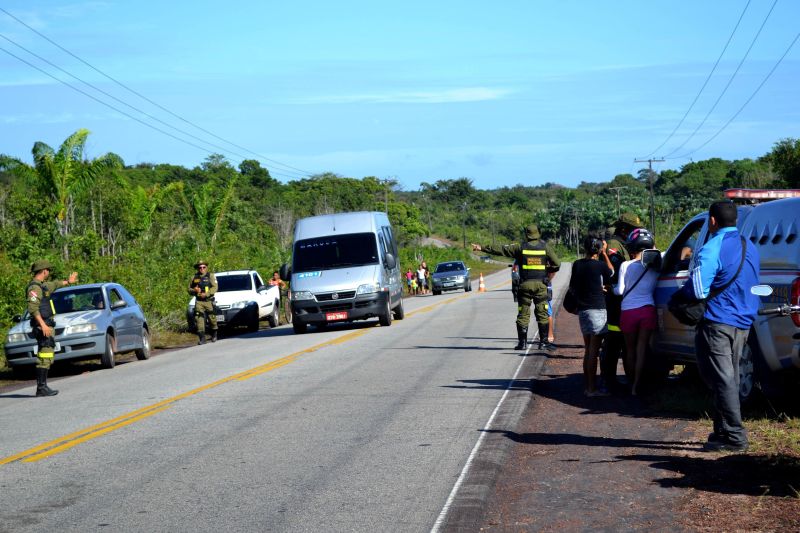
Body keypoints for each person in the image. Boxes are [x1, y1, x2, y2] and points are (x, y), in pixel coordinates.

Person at [678, 200, 759, 452]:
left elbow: (699, 289)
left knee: (721, 378)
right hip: (743, 322)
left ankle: (735, 436)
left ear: (712, 221)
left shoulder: (711, 248)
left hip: (717, 322)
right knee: (729, 376)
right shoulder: (750, 246)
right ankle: (722, 431)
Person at [473, 224, 561, 351]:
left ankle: (522, 344)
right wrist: (547, 273)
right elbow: (557, 264)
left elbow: (501, 249)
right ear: (538, 233)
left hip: (524, 285)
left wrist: (481, 247)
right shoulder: (545, 247)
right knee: (542, 313)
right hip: (541, 285)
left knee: (523, 313)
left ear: (527, 234)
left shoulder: (520, 247)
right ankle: (544, 342)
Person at [614, 228, 659, 396]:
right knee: (642, 349)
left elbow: (620, 290)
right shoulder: (655, 266)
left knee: (629, 350)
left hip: (628, 312)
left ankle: (631, 382)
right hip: (648, 310)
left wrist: (610, 289)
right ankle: (637, 385)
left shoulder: (626, 265)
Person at [601, 212, 642, 392]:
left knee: (625, 343)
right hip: (615, 300)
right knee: (613, 342)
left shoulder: (624, 244)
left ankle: (626, 379)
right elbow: (616, 270)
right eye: (632, 230)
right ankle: (608, 381)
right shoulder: (614, 245)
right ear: (624, 229)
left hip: (624, 299)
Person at [26, 260, 78, 397]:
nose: (49, 272)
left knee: (47, 355)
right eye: (48, 270)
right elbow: (32, 309)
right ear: (44, 271)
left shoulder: (43, 286)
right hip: (43, 326)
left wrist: (69, 281)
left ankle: (42, 386)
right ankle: (41, 387)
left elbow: (55, 284)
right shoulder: (34, 288)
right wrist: (42, 325)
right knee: (45, 355)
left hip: (47, 324)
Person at [570, 236, 614, 397]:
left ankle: (587, 386)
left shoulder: (577, 265)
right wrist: (605, 253)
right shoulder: (600, 265)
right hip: (597, 309)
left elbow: (573, 286)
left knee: (588, 349)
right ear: (598, 249)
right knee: (593, 352)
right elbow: (611, 273)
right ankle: (592, 389)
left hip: (583, 310)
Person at [188, 260, 218, 344]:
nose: (202, 269)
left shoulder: (210, 276)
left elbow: (215, 287)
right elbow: (189, 289)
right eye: (200, 267)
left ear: (206, 268)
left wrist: (207, 294)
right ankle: (202, 338)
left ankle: (214, 334)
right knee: (199, 319)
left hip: (208, 301)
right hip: (199, 301)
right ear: (198, 268)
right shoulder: (194, 277)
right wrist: (194, 290)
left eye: (203, 267)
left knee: (212, 318)